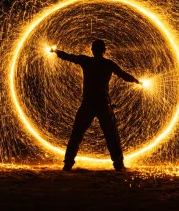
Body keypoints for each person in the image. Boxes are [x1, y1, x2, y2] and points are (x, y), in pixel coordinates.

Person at [50, 39, 142, 171]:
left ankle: (68, 164)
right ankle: (119, 165)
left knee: (76, 134)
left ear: (92, 50)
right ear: (104, 51)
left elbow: (69, 57)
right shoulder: (108, 64)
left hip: (88, 103)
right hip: (103, 103)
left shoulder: (86, 61)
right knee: (111, 135)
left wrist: (56, 51)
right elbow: (123, 75)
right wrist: (137, 81)